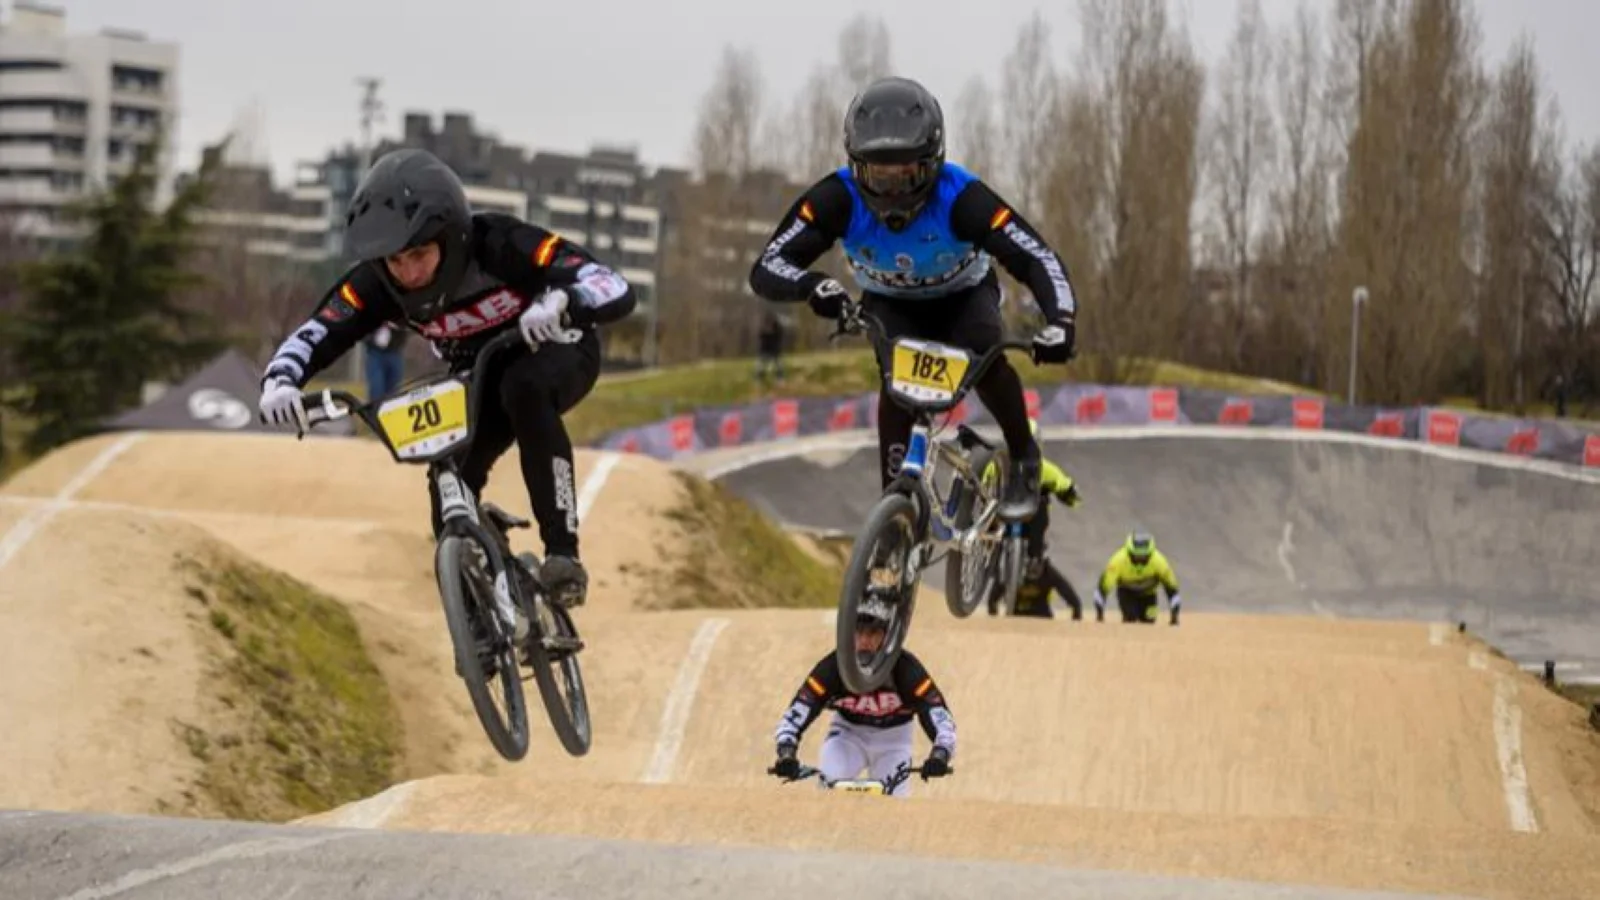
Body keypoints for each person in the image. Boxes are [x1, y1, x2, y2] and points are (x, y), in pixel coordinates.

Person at [256, 148, 636, 607]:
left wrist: (562, 300)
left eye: (419, 254)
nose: (409, 273)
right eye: (395, 261)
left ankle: (563, 555)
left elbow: (609, 282)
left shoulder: (500, 242)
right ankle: (480, 617)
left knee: (524, 388)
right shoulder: (376, 283)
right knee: (448, 470)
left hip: (559, 349)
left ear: (451, 236)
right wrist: (280, 380)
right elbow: (318, 331)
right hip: (477, 375)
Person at [747, 75, 1080, 522]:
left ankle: (1023, 453)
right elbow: (767, 265)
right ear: (855, 165)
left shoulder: (962, 198)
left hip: (964, 297)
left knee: (986, 355)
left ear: (933, 164)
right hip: (890, 302)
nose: (893, 193)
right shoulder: (837, 198)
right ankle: (894, 516)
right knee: (897, 386)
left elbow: (1036, 256)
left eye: (906, 174)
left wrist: (1061, 322)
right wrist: (813, 287)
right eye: (878, 176)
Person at [770, 599, 956, 798]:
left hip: (893, 742)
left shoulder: (906, 669)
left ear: (887, 636)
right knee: (828, 795)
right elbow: (799, 710)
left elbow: (939, 714)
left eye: (873, 632)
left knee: (894, 807)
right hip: (847, 737)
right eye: (859, 632)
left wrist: (940, 753)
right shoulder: (833, 667)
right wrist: (786, 751)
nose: (865, 640)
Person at [980, 420, 1085, 619]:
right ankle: (987, 552)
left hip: (1032, 522)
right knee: (988, 507)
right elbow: (984, 483)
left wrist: (1070, 492)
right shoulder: (998, 466)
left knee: (1043, 501)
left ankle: (1034, 557)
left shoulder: (1046, 469)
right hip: (1002, 518)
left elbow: (1062, 483)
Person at [1094, 530, 1182, 625]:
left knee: (1150, 620)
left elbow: (1172, 589)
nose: (1139, 561)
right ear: (1129, 552)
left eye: (1144, 557)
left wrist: (1174, 615)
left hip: (1149, 595)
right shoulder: (1117, 561)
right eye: (1136, 557)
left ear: (1151, 554)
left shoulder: (1160, 562)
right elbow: (1102, 589)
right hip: (1127, 594)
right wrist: (1100, 613)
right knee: (1130, 620)